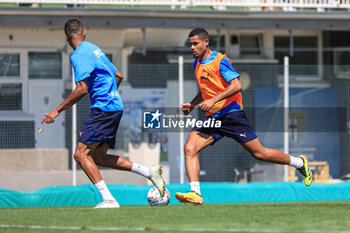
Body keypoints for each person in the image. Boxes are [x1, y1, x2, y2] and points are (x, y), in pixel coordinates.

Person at [175, 28, 312, 205]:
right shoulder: (197, 63)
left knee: (259, 153)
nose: (192, 48)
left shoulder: (220, 61)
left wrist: (213, 100)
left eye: (195, 44)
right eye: (190, 44)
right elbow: (206, 89)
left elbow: (236, 85)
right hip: (213, 117)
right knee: (190, 148)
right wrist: (193, 104)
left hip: (232, 114)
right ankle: (195, 193)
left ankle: (299, 163)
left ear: (206, 42)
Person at [41, 19, 165, 208]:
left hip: (103, 108)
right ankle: (149, 173)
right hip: (115, 107)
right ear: (84, 34)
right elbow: (119, 76)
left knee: (80, 155)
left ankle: (109, 199)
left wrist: (56, 110)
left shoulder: (78, 54)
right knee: (98, 157)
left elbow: (81, 89)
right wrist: (110, 93)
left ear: (66, 37)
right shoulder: (94, 49)